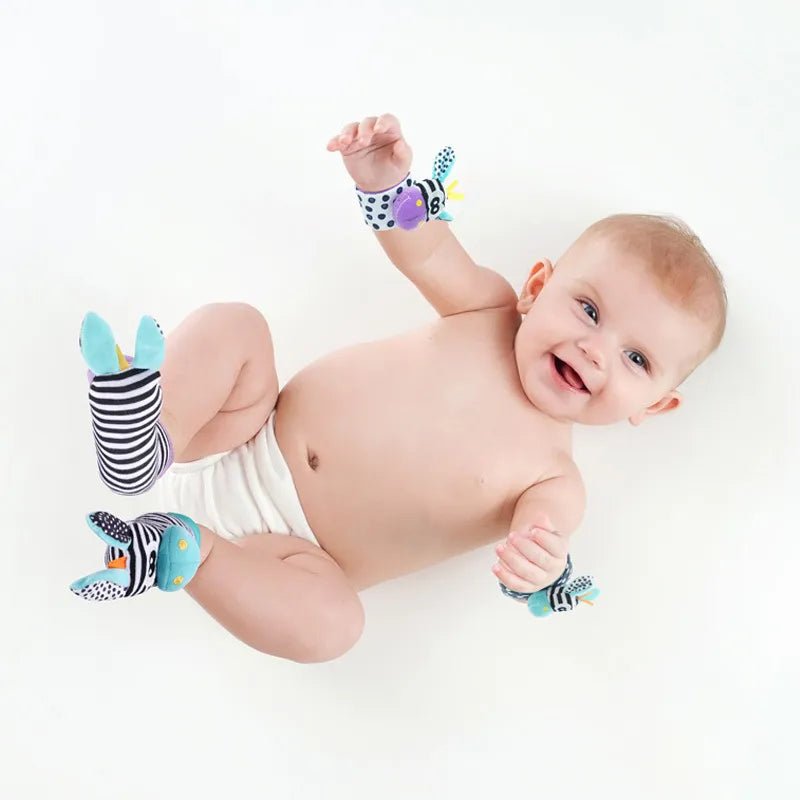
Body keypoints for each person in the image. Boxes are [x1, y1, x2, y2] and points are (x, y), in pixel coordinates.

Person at [71, 113, 727, 662]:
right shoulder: (487, 309)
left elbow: (542, 539)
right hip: (242, 427)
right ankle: (146, 440)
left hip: (291, 559)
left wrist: (542, 569)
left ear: (655, 405)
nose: (595, 350)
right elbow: (429, 251)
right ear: (537, 286)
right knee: (236, 326)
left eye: (637, 359)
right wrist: (384, 182)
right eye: (588, 309)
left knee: (334, 628)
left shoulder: (555, 480)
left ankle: (181, 550)